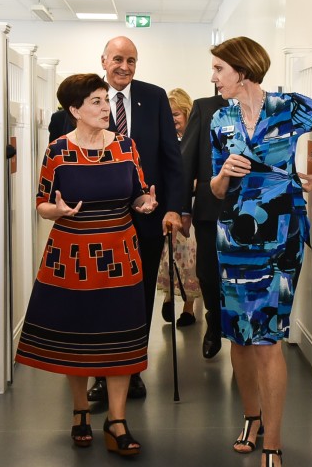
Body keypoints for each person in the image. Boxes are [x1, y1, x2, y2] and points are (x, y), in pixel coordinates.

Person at [208, 37, 312, 467]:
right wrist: (223, 174)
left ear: (243, 68)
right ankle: (250, 418)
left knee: (268, 336)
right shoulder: (222, 118)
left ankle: (272, 439)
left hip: (282, 237)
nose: (214, 77)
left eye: (219, 69)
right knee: (238, 333)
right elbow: (216, 188)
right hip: (233, 237)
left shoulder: (290, 106)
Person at [14, 73, 158, 456]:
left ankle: (116, 421)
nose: (104, 108)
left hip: (120, 256)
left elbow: (138, 194)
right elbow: (42, 202)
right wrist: (54, 211)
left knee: (121, 339)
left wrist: (146, 203)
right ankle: (80, 412)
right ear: (74, 110)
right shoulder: (58, 151)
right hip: (70, 256)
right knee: (74, 338)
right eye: (95, 102)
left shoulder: (127, 146)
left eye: (104, 100)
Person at [86, 36, 185, 403]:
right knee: (100, 295)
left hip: (147, 218)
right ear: (104, 61)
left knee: (139, 295)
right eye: (117, 59)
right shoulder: (88, 97)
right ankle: (99, 372)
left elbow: (171, 157)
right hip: (99, 219)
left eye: (131, 60)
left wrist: (174, 207)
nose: (124, 67)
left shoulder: (154, 97)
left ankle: (132, 369)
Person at [180, 92, 228, 358]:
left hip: (251, 210)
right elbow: (187, 161)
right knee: (208, 272)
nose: (214, 76)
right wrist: (183, 208)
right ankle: (214, 319)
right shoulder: (204, 107)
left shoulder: (264, 106)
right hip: (210, 207)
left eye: (220, 68)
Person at [157, 88, 201, 327]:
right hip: (170, 205)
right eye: (169, 115)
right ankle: (167, 297)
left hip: (193, 206)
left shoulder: (197, 139)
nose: (172, 120)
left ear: (186, 112)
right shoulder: (166, 140)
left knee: (190, 258)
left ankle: (188, 307)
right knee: (168, 254)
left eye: (176, 114)